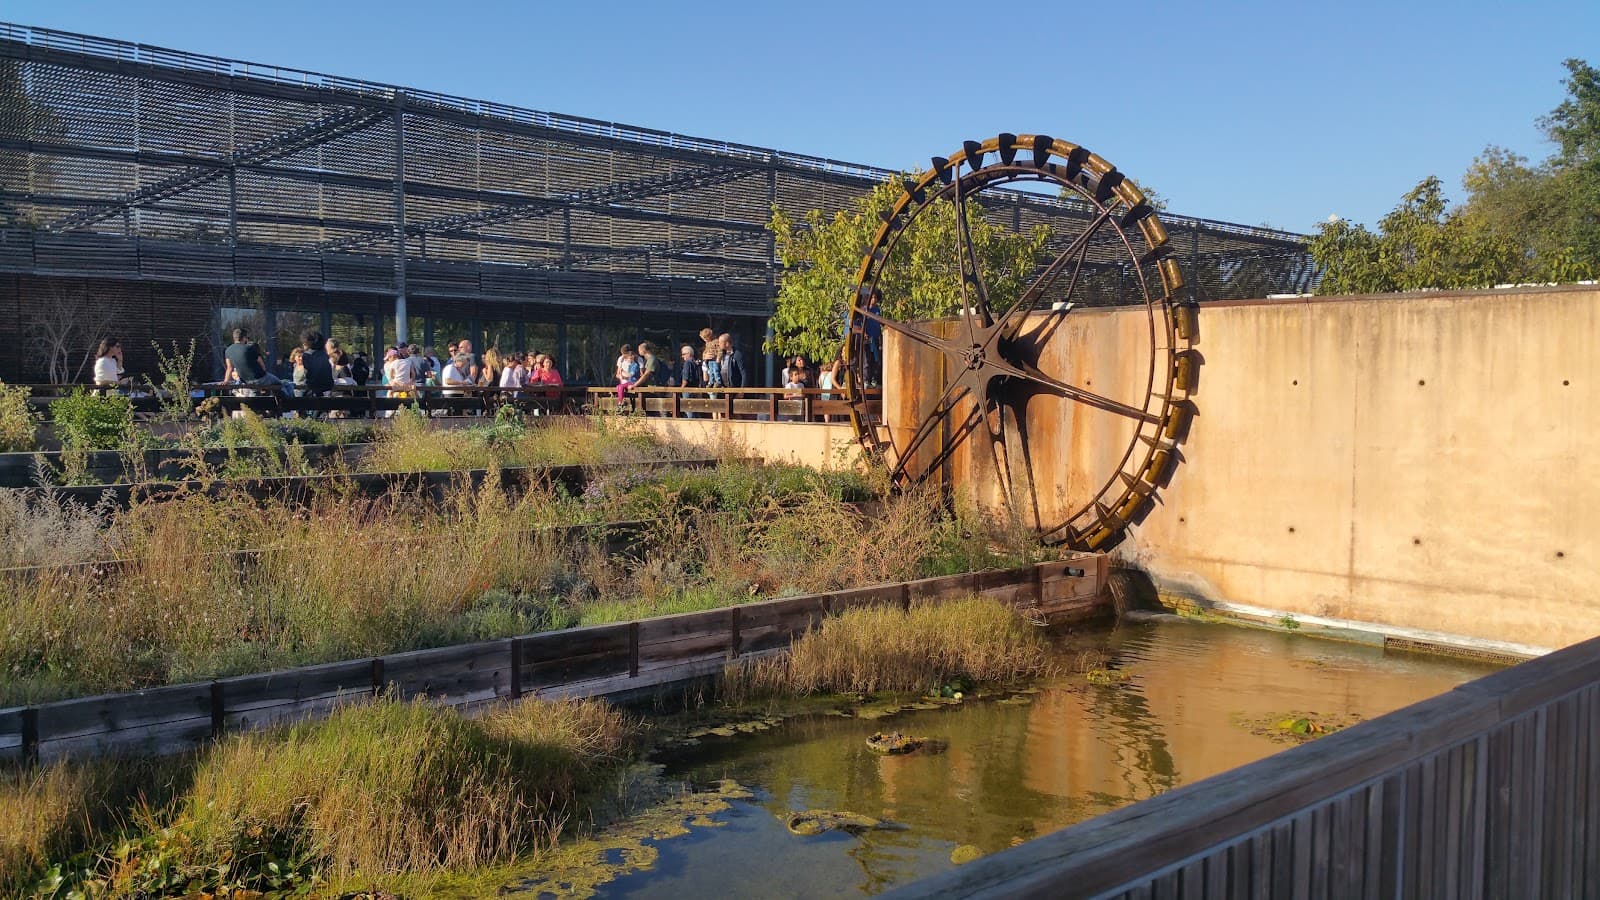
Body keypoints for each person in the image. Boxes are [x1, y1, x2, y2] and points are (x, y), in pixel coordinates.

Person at [297, 329, 334, 397]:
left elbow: (307, 373)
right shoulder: (324, 354)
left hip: (312, 388)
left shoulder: (307, 355)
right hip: (327, 387)